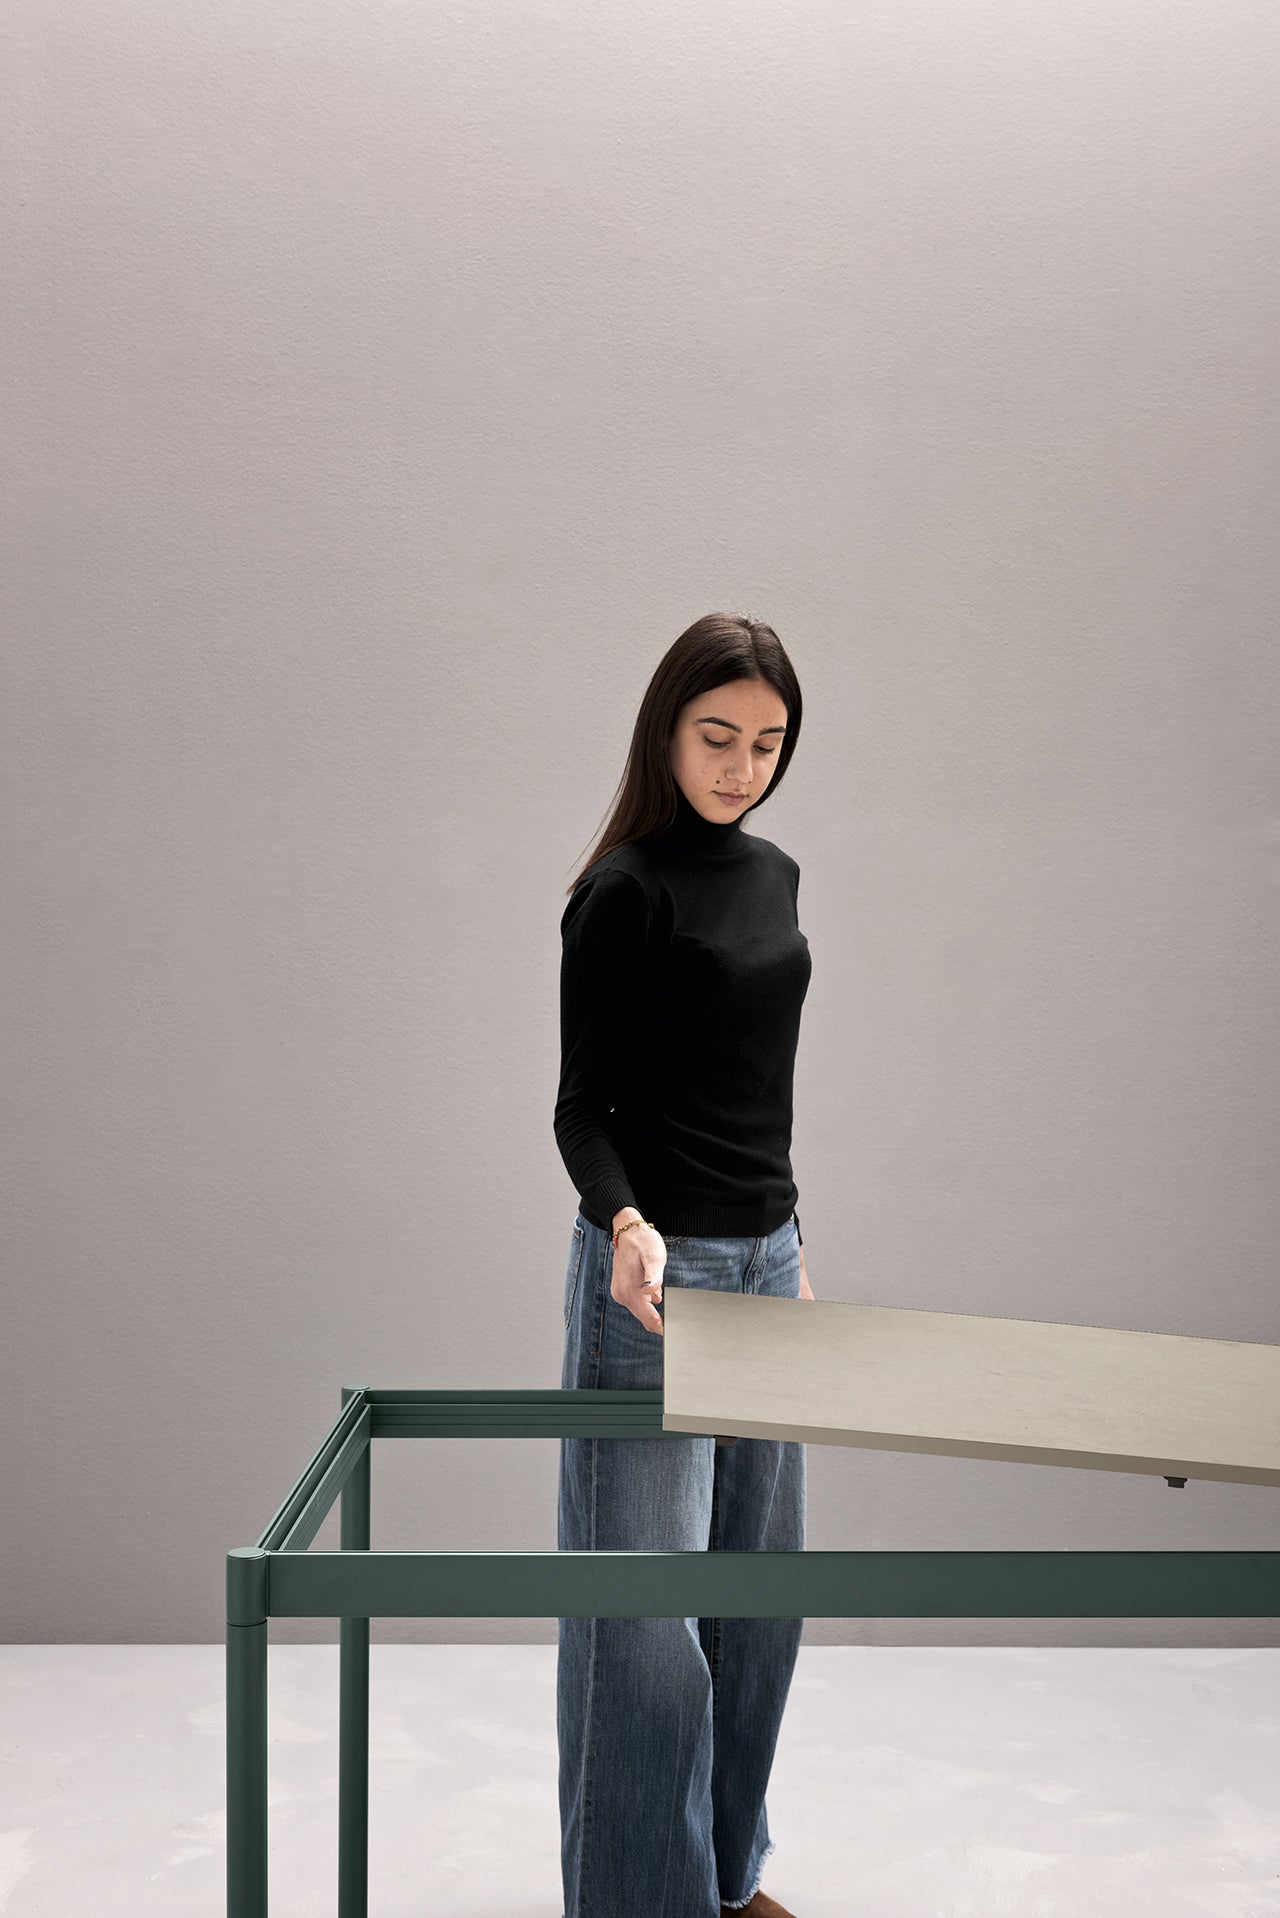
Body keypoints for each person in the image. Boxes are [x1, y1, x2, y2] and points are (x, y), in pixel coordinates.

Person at [553, 612, 815, 1918]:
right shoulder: (622, 891)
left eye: (767, 743)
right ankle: (640, 1898)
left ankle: (726, 1873)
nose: (742, 764)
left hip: (768, 1261)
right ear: (668, 728)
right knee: (645, 1625)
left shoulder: (776, 875)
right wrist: (623, 1223)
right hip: (652, 1274)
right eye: (718, 736)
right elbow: (581, 1108)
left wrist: (794, 1239)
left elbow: (755, 1089)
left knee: (760, 1600)